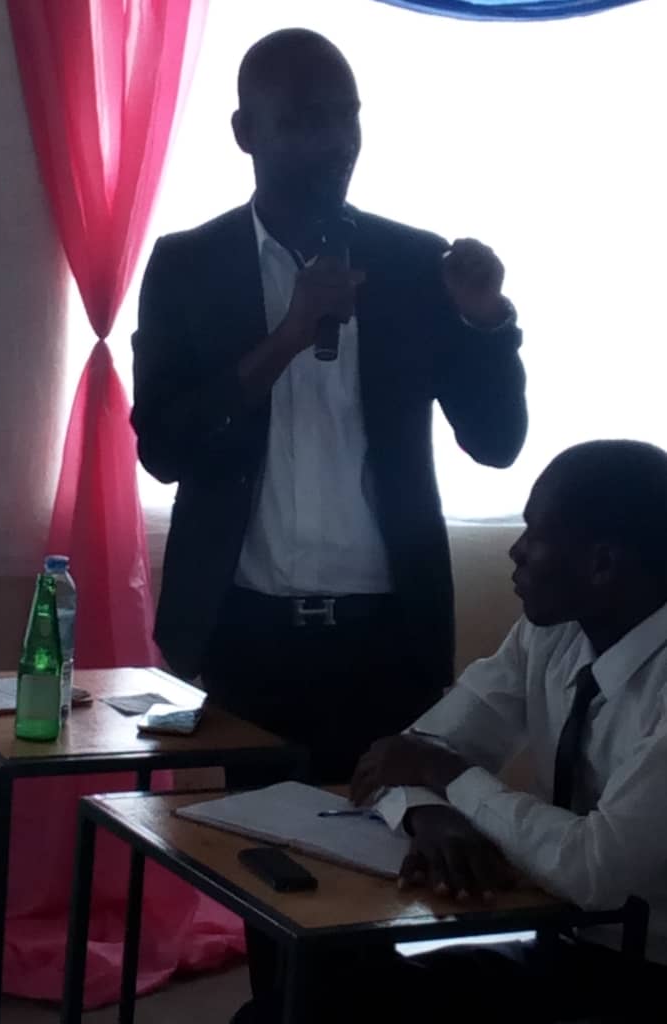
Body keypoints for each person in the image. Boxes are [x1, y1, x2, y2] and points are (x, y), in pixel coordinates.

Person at [132, 28, 527, 784]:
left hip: (389, 638)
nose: (334, 141)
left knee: (387, 845)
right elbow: (164, 448)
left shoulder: (414, 262)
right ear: (246, 132)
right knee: (255, 847)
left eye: (346, 116)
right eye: (303, 120)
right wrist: (287, 337)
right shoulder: (188, 266)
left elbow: (496, 441)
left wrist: (486, 323)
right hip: (244, 637)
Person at [226, 439, 667, 1024]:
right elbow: (404, 753)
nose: (517, 551)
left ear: (601, 564)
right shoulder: (551, 633)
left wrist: (447, 777)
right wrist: (429, 813)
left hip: (652, 985)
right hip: (569, 954)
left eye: (536, 535)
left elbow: (595, 869)